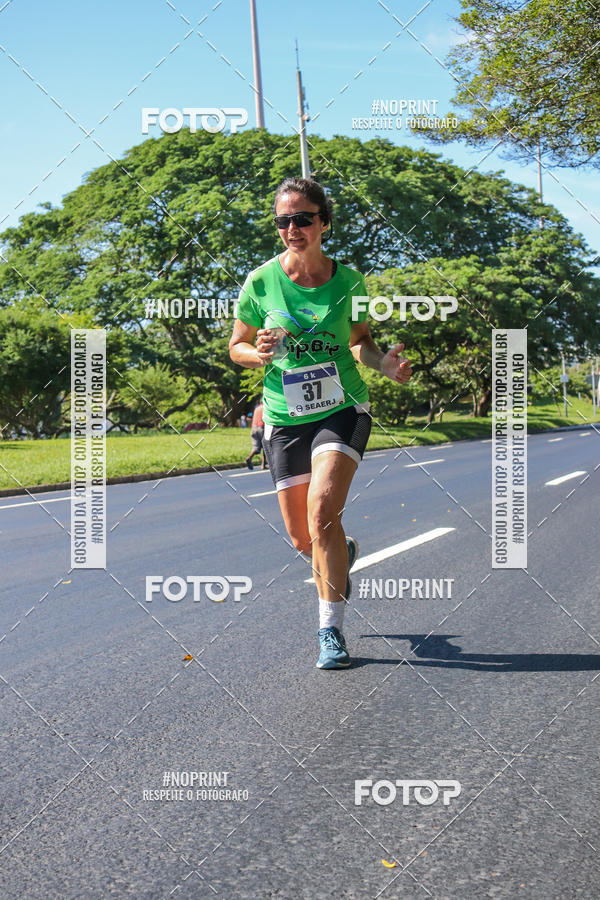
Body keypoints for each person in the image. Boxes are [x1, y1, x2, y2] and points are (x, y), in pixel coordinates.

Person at [229, 177, 411, 669]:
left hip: (341, 406)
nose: (292, 228)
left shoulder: (348, 280)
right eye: (283, 220)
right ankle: (341, 553)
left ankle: (330, 631)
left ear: (323, 222)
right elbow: (236, 347)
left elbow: (361, 343)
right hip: (286, 416)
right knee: (301, 537)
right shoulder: (261, 281)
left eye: (302, 218)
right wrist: (257, 352)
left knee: (323, 510)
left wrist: (386, 365)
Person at [245, 399, 267, 470]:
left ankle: (249, 457)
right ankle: (263, 465)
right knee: (265, 447)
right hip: (262, 428)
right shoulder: (265, 408)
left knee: (256, 447)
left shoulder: (256, 408)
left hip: (254, 428)